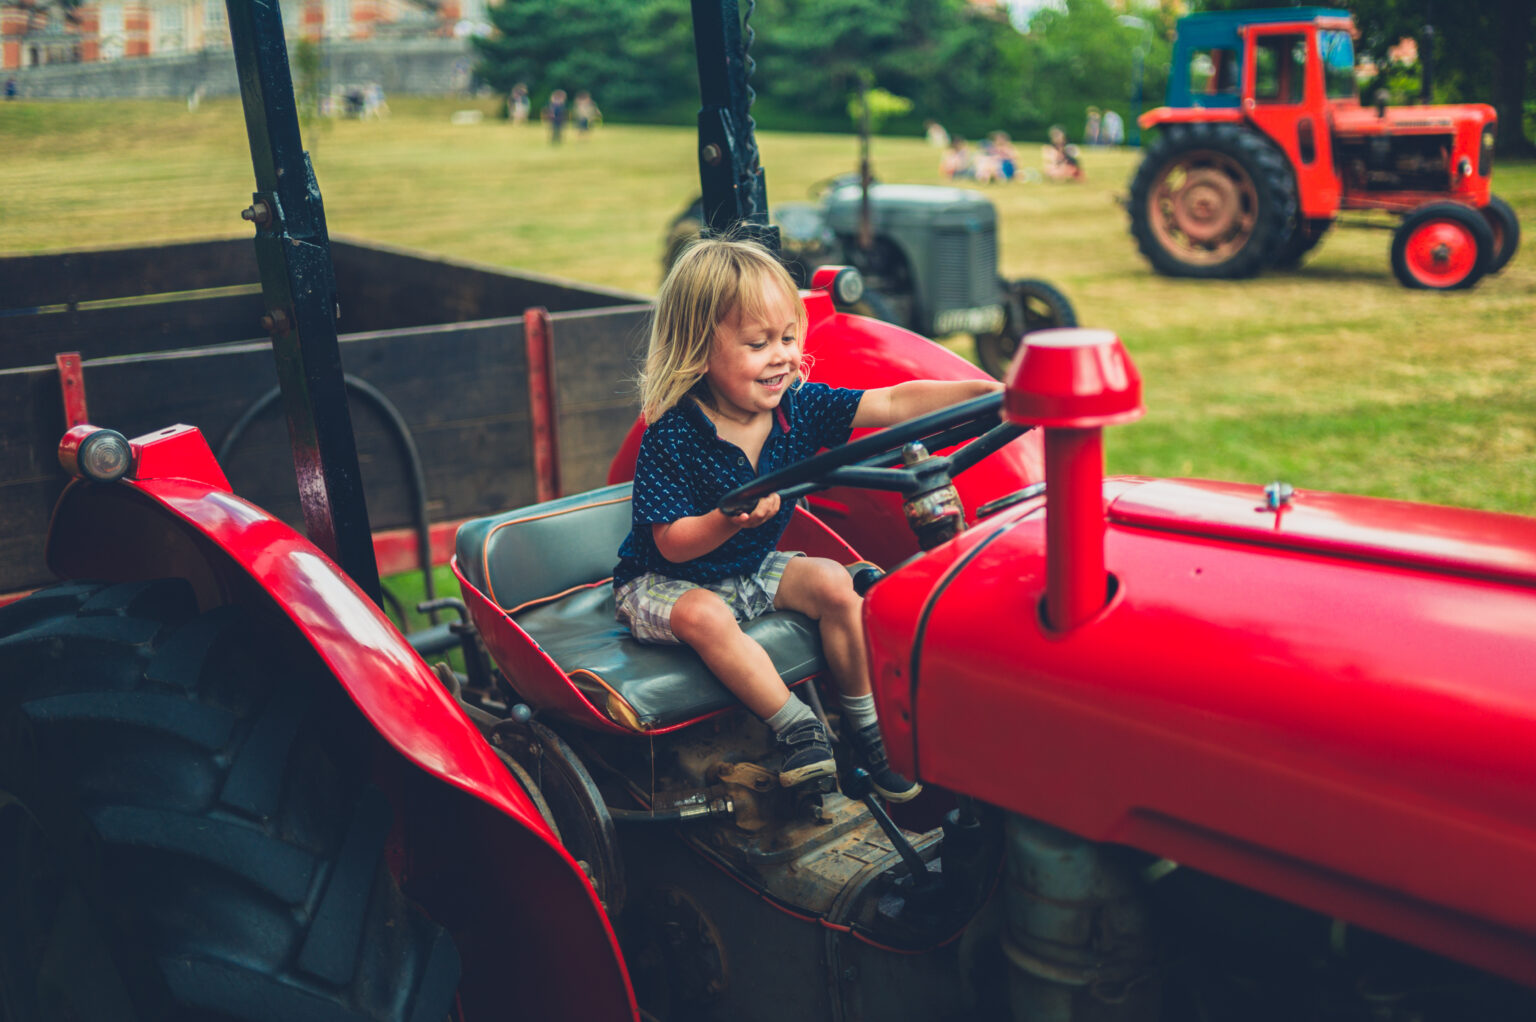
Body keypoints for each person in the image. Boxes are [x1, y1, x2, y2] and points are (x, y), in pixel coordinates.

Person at [614, 238, 1000, 799]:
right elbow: (670, 543)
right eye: (757, 343)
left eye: (789, 338)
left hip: (747, 569)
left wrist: (988, 394)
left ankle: (866, 728)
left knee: (837, 584)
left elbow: (892, 403)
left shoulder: (799, 406)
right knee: (706, 617)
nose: (782, 356)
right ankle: (799, 730)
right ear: (699, 351)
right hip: (666, 583)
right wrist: (730, 520)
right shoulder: (672, 434)